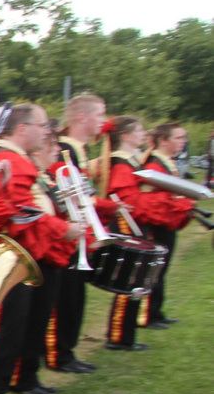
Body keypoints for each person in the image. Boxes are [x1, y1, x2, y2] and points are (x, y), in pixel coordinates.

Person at [0, 105, 82, 394]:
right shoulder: (11, 159)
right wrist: (62, 229)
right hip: (7, 254)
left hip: (18, 255)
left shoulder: (16, 159)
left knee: (14, 331)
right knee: (3, 332)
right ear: (22, 128)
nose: (47, 132)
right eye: (42, 125)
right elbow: (17, 212)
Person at [46, 95, 113, 375]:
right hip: (66, 237)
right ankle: (59, 353)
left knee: (74, 297)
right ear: (82, 117)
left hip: (76, 235)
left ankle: (66, 350)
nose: (104, 122)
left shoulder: (77, 150)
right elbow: (66, 197)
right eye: (100, 115)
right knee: (65, 299)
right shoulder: (65, 151)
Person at [136, 123, 194, 329]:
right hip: (157, 223)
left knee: (161, 269)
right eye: (178, 138)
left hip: (167, 222)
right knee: (154, 270)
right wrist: (182, 204)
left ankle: (156, 312)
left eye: (183, 137)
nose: (183, 141)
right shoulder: (154, 164)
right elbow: (155, 199)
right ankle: (146, 315)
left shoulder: (166, 161)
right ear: (163, 140)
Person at [103, 117, 151, 351]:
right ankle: (119, 335)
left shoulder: (130, 159)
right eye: (139, 130)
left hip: (135, 223)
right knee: (130, 277)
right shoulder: (121, 163)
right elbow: (128, 200)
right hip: (127, 224)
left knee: (137, 279)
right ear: (125, 136)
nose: (144, 134)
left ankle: (125, 334)